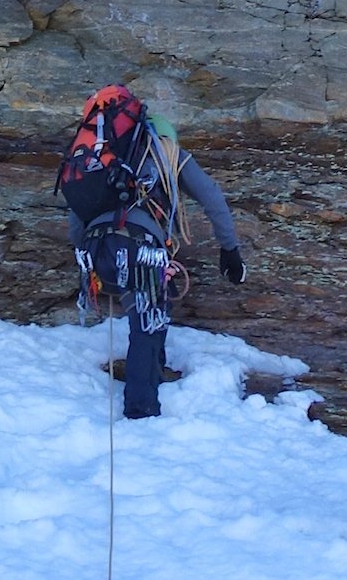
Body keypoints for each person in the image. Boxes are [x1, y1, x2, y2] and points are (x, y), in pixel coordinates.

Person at [54, 84, 246, 420]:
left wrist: (87, 260)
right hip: (141, 248)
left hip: (98, 247)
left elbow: (76, 217)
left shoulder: (99, 161)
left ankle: (153, 373)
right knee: (147, 318)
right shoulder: (167, 153)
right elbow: (212, 197)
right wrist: (229, 249)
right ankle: (141, 413)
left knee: (152, 307)